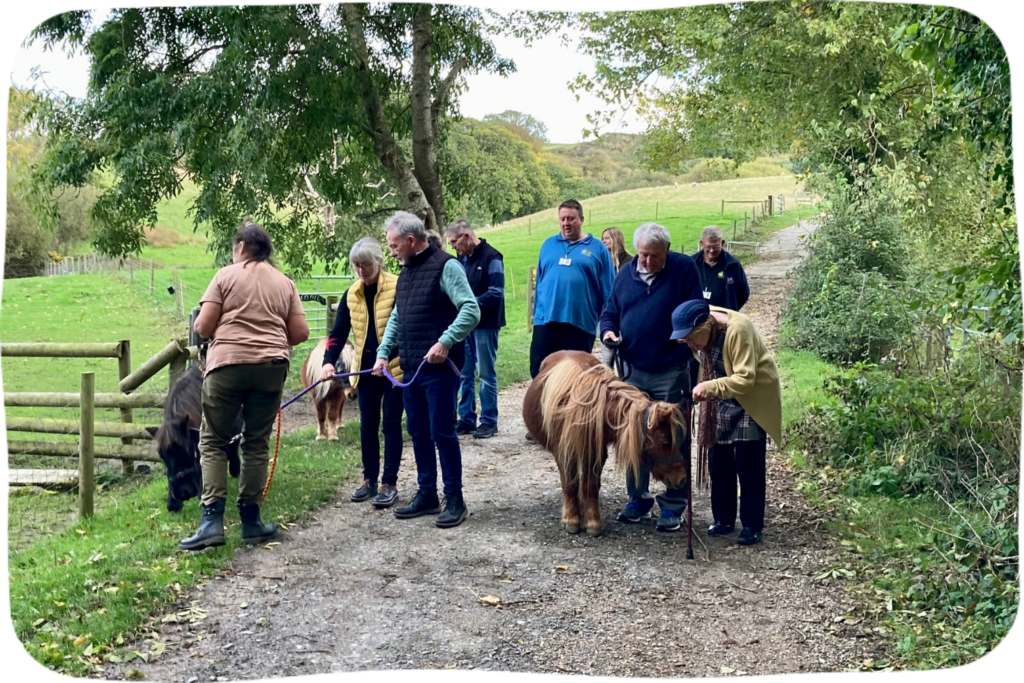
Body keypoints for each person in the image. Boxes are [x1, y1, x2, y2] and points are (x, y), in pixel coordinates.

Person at [181, 221, 310, 551]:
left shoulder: (225, 276)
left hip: (227, 366)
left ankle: (211, 521)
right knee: (256, 442)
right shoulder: (285, 282)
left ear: (240, 246)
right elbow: (300, 334)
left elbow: (204, 324)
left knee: (212, 441)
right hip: (270, 367)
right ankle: (251, 522)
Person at [374, 211, 480, 528]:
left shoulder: (446, 266)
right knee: (418, 432)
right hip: (411, 369)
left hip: (439, 369)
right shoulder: (406, 273)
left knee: (442, 432)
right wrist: (382, 355)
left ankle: (455, 499)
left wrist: (446, 341)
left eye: (394, 246)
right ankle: (427, 494)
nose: (391, 252)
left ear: (410, 241)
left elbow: (471, 309)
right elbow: (397, 318)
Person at [599, 223, 703, 532]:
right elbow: (609, 312)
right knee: (633, 435)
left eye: (653, 256)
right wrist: (608, 332)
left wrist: (685, 346)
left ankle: (673, 503)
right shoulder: (626, 272)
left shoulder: (684, 270)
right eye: (643, 255)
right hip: (632, 370)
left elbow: (698, 312)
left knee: (672, 434)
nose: (645, 262)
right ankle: (637, 498)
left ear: (667, 252)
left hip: (670, 369)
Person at [670, 299, 783, 546]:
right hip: (719, 396)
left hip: (750, 398)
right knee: (718, 461)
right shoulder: (699, 326)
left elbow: (745, 379)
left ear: (705, 327)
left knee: (748, 463)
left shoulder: (738, 330)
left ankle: (752, 525)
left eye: (690, 338)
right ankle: (723, 519)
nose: (689, 344)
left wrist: (708, 386)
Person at [321, 237, 404, 508]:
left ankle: (389, 482)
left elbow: (405, 327)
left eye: (366, 264)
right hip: (365, 370)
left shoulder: (397, 285)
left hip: (394, 369)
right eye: (356, 265)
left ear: (379, 262)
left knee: (390, 424)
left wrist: (389, 358)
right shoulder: (352, 293)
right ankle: (369, 479)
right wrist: (328, 361)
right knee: (368, 425)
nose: (361, 270)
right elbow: (338, 332)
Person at [528, 198, 615, 440]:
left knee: (576, 376)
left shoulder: (597, 249)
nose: (566, 223)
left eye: (571, 219)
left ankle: (569, 424)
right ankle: (543, 423)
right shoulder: (548, 245)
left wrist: (608, 322)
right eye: (562, 218)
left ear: (581, 220)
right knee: (540, 370)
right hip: (546, 320)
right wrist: (537, 315)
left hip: (580, 322)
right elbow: (542, 281)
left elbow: (609, 290)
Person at [445, 219, 506, 439]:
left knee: (486, 372)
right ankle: (467, 418)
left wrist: (470, 304)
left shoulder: (492, 257)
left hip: (486, 324)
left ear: (466, 236)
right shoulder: (461, 259)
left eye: (454, 241)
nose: (453, 247)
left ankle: (489, 420)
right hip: (465, 325)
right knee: (464, 372)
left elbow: (496, 292)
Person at [689, 226, 750, 311]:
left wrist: (731, 308)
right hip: (697, 317)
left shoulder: (733, 265)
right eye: (708, 247)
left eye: (715, 246)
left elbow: (743, 293)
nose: (711, 250)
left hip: (724, 318)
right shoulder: (691, 264)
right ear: (701, 243)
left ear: (722, 243)